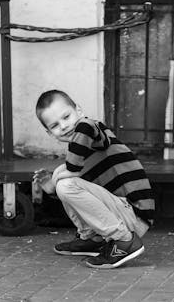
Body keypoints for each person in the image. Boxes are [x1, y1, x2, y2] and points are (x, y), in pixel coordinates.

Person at [33, 89, 155, 269]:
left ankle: (124, 241)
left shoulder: (93, 129)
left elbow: (85, 128)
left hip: (135, 214)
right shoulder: (78, 151)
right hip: (120, 211)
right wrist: (55, 185)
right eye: (55, 125)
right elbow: (85, 197)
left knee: (66, 180)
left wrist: (68, 171)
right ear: (50, 133)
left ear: (80, 111)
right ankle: (92, 239)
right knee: (63, 180)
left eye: (66, 117)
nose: (64, 126)